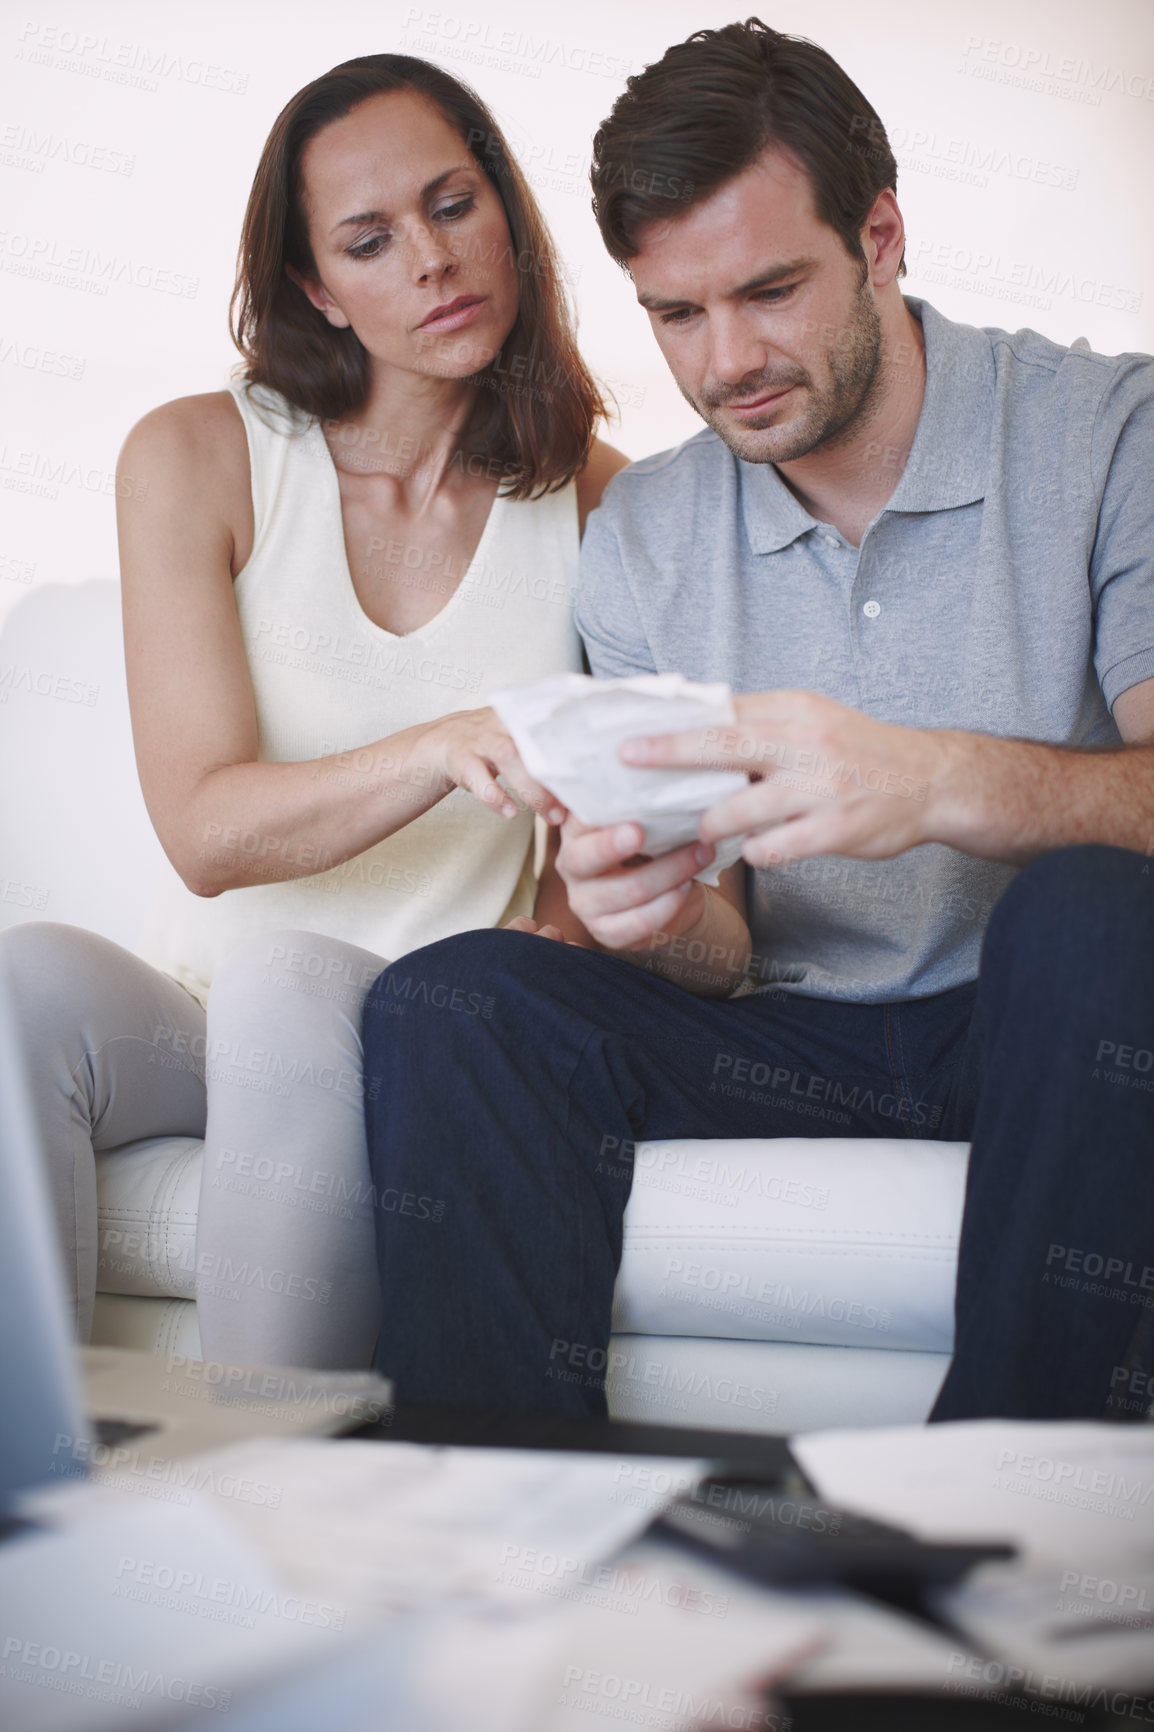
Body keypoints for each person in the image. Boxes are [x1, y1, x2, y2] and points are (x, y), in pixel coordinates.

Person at [360, 18, 1154, 1423]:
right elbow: (721, 949)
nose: (726, 361)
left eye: (771, 289)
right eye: (675, 314)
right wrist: (649, 912)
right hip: (795, 1039)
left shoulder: (1105, 435)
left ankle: (1005, 1520)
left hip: (1052, 1023)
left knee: (1093, 913)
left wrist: (938, 781)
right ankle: (505, 1533)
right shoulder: (647, 533)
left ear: (881, 236)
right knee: (452, 996)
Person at [0, 52, 624, 1369]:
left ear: (508, 212)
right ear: (313, 288)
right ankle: (31, 1509)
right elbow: (206, 833)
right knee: (20, 985)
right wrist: (437, 749)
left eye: (454, 206)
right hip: (208, 1013)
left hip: (433, 1032)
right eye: (367, 240)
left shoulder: (603, 504)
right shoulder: (196, 454)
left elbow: (598, 871)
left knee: (294, 984)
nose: (432, 262)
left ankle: (260, 1508)